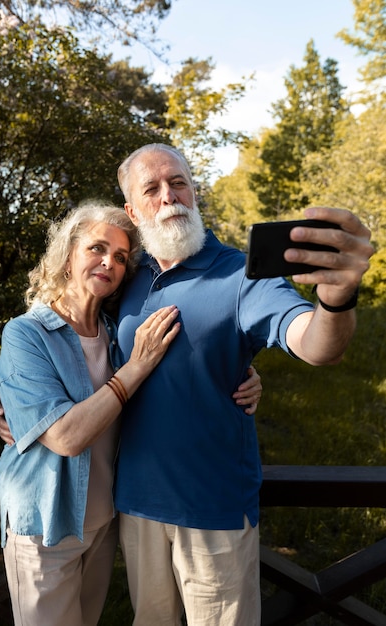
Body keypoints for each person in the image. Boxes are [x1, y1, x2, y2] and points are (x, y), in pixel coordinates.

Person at [109, 143, 372, 626]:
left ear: (195, 190)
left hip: (214, 510)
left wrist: (336, 299)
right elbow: (77, 339)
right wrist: (17, 395)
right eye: (152, 188)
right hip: (136, 505)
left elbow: (314, 344)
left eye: (179, 182)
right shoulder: (124, 276)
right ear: (133, 210)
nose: (170, 197)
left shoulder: (242, 274)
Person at [0, 201, 182, 626]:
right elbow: (65, 437)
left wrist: (246, 376)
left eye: (119, 256)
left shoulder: (118, 335)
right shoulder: (26, 333)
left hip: (102, 521)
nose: (108, 262)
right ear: (67, 255)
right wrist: (134, 369)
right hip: (44, 524)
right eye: (97, 248)